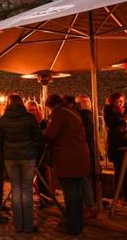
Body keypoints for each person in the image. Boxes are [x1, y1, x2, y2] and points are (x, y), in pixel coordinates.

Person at [0, 95, 43, 233]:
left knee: (16, 189)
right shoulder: (29, 118)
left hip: (10, 158)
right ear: (22, 104)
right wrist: (32, 146)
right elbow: (39, 137)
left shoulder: (2, 120)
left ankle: (18, 225)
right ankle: (28, 225)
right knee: (27, 190)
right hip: (28, 157)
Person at [44, 94, 90, 235]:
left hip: (67, 158)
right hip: (81, 156)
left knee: (71, 194)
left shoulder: (58, 114)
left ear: (51, 105)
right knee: (77, 192)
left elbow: (50, 135)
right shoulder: (73, 111)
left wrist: (42, 133)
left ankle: (73, 226)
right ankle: (77, 224)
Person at [103, 92, 127, 205]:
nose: (121, 103)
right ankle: (120, 195)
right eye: (119, 101)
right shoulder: (109, 112)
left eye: (123, 101)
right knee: (120, 171)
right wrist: (125, 121)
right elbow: (113, 129)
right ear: (112, 101)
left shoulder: (126, 111)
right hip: (118, 146)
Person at [25, 100, 51, 208]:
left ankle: (44, 199)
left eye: (34, 109)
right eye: (30, 110)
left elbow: (46, 133)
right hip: (28, 152)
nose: (32, 111)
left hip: (40, 152)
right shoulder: (25, 121)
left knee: (42, 176)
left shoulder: (41, 121)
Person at [75, 94, 97, 218]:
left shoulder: (84, 115)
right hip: (87, 149)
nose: (87, 103)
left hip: (85, 149)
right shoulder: (84, 115)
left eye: (88, 100)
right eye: (84, 101)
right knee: (86, 178)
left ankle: (89, 205)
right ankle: (91, 203)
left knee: (85, 178)